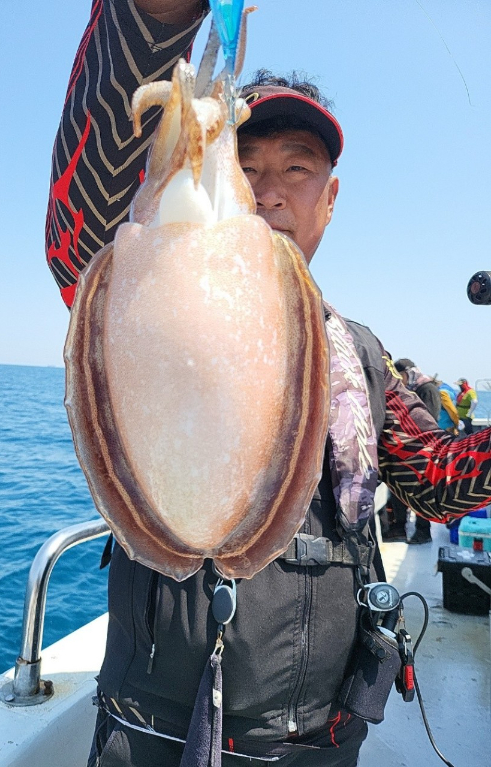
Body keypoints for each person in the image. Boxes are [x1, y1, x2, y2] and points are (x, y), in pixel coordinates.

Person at [45, 2, 491, 765]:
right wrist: (151, 18)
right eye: (244, 166)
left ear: (330, 198)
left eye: (296, 168)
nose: (269, 189)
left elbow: (436, 482)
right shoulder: (137, 280)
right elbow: (80, 223)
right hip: (151, 725)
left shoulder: (360, 354)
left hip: (316, 735)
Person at [381, 359, 441, 545]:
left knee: (421, 493)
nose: (399, 380)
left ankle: (423, 532)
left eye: (400, 376)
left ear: (408, 372)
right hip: (406, 451)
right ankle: (399, 528)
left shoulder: (427, 389)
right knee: (399, 491)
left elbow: (430, 419)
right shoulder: (411, 389)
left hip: (423, 452)